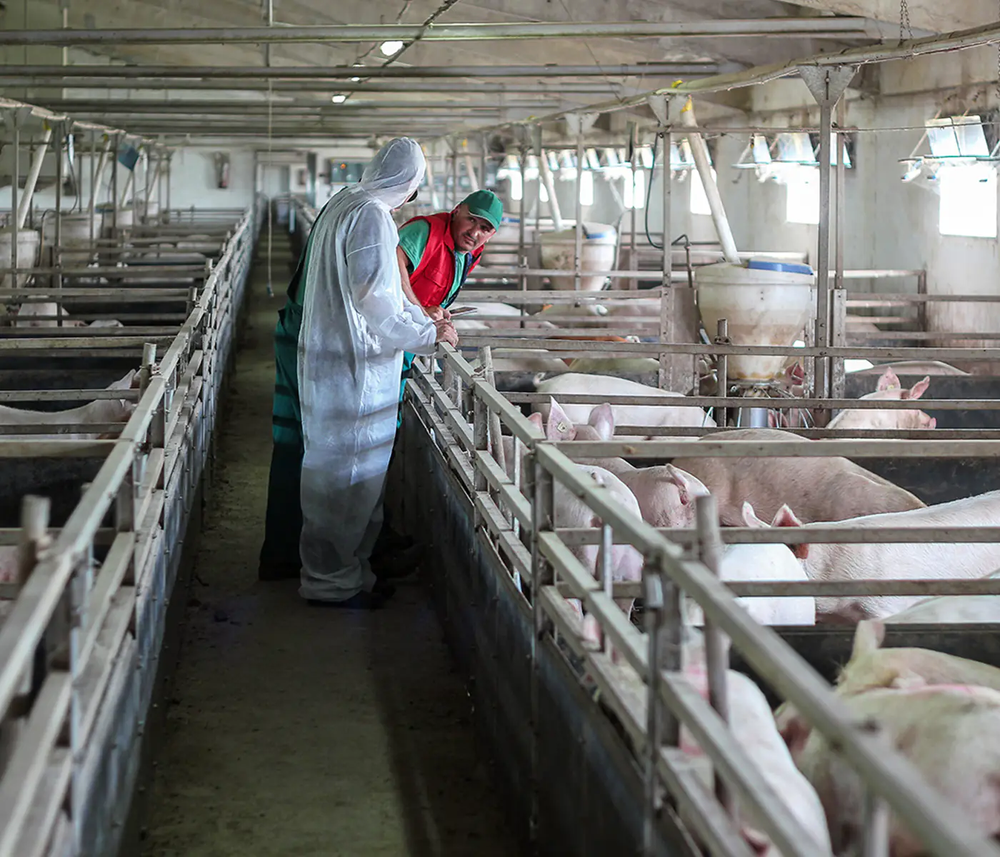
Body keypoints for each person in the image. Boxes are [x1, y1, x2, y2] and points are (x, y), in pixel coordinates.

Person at [257, 138, 457, 610]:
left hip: (336, 357)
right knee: (344, 477)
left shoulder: (345, 200)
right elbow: (374, 297)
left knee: (353, 474)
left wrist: (421, 319)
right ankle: (329, 583)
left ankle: (352, 571)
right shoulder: (371, 215)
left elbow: (378, 290)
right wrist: (428, 336)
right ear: (409, 184)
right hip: (352, 365)